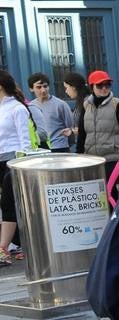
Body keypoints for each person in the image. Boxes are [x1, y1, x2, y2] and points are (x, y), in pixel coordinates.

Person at [81, 70, 119, 208]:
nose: (104, 88)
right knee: (103, 192)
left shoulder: (118, 105)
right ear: (91, 86)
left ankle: (118, 221)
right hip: (94, 159)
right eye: (100, 86)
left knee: (106, 191)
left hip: (115, 155)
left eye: (107, 85)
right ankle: (110, 223)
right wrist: (80, 155)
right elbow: (82, 133)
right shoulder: (86, 105)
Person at [0, 71, 30, 265]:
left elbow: (25, 141)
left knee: (10, 204)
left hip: (13, 159)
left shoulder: (17, 108)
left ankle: (6, 248)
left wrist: (22, 164)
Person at [25, 72, 76, 152]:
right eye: (39, 87)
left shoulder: (60, 105)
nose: (43, 90)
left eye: (45, 86)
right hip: (40, 149)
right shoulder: (31, 107)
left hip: (59, 147)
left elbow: (71, 127)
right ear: (31, 89)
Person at [62, 72, 90, 153]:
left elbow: (94, 125)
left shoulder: (88, 102)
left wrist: (79, 131)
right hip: (81, 145)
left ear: (73, 87)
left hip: (87, 147)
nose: (66, 91)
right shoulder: (80, 102)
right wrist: (71, 131)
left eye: (66, 88)